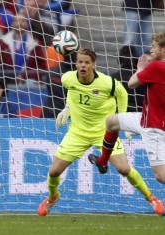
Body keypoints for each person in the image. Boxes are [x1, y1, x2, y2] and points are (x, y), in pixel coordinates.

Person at [37, 48, 164, 216]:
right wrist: (67, 109)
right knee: (53, 172)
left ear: (93, 65)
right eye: (80, 62)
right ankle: (53, 196)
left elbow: (123, 94)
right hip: (77, 132)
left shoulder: (107, 83)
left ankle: (151, 198)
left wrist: (121, 120)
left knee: (124, 169)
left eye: (87, 63)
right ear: (76, 64)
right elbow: (71, 90)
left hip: (103, 132)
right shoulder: (67, 78)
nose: (83, 65)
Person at [88, 32, 165, 204]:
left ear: (163, 49)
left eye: (154, 47)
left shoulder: (156, 67)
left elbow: (131, 83)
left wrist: (139, 70)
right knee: (111, 122)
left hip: (153, 126)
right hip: (146, 118)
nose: (151, 50)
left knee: (161, 176)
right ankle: (102, 161)